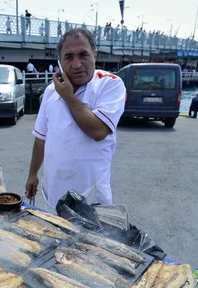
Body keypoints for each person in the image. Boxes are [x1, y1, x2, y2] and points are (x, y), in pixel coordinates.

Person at [25, 28, 126, 209]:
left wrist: (68, 97)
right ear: (60, 62)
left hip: (90, 194)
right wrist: (32, 173)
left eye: (83, 55)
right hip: (54, 190)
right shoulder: (50, 91)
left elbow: (98, 131)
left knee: (91, 237)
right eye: (69, 57)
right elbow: (41, 138)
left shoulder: (110, 84)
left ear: (94, 54)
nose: (77, 64)